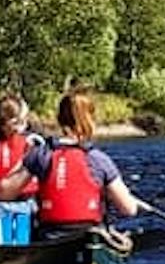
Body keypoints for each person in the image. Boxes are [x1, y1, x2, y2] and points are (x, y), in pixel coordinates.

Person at [28, 86, 140, 235]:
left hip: (50, 235)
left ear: (60, 119)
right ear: (90, 120)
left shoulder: (40, 155)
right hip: (89, 233)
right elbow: (129, 209)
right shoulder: (99, 160)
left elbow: (8, 191)